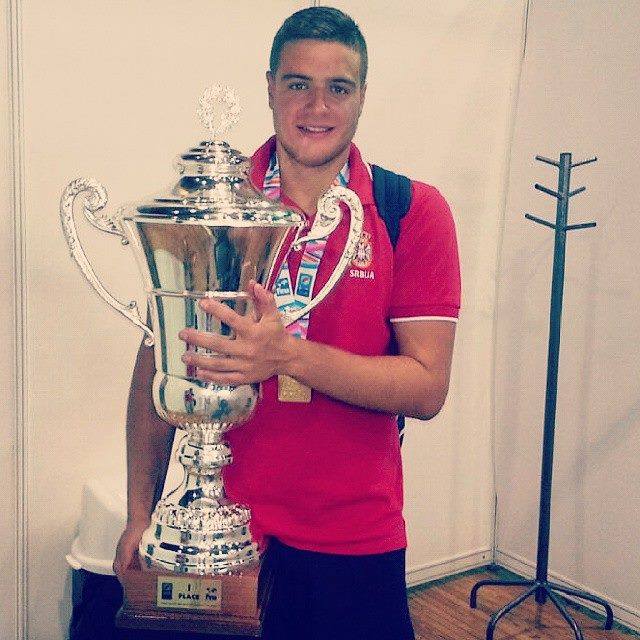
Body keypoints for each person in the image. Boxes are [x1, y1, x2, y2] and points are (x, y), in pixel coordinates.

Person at [114, 7, 460, 640]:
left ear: (362, 96)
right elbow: (155, 372)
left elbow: (426, 387)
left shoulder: (410, 210)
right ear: (270, 87)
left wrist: (288, 357)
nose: (317, 107)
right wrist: (141, 512)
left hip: (354, 535)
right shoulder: (210, 208)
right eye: (298, 84)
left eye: (339, 88)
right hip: (218, 533)